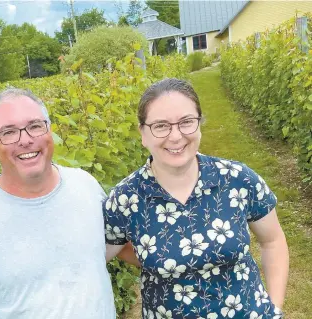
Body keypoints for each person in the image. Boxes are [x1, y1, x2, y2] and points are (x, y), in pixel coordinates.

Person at [104, 78, 289, 319]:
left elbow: (273, 241)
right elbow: (109, 249)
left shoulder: (237, 179)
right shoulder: (125, 199)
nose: (176, 136)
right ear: (143, 133)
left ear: (199, 124)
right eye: (161, 126)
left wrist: (274, 308)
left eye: (186, 122)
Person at [0, 88, 116, 319]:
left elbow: (116, 246)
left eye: (35, 125)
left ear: (49, 130)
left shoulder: (85, 185)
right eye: (8, 132)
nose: (25, 140)